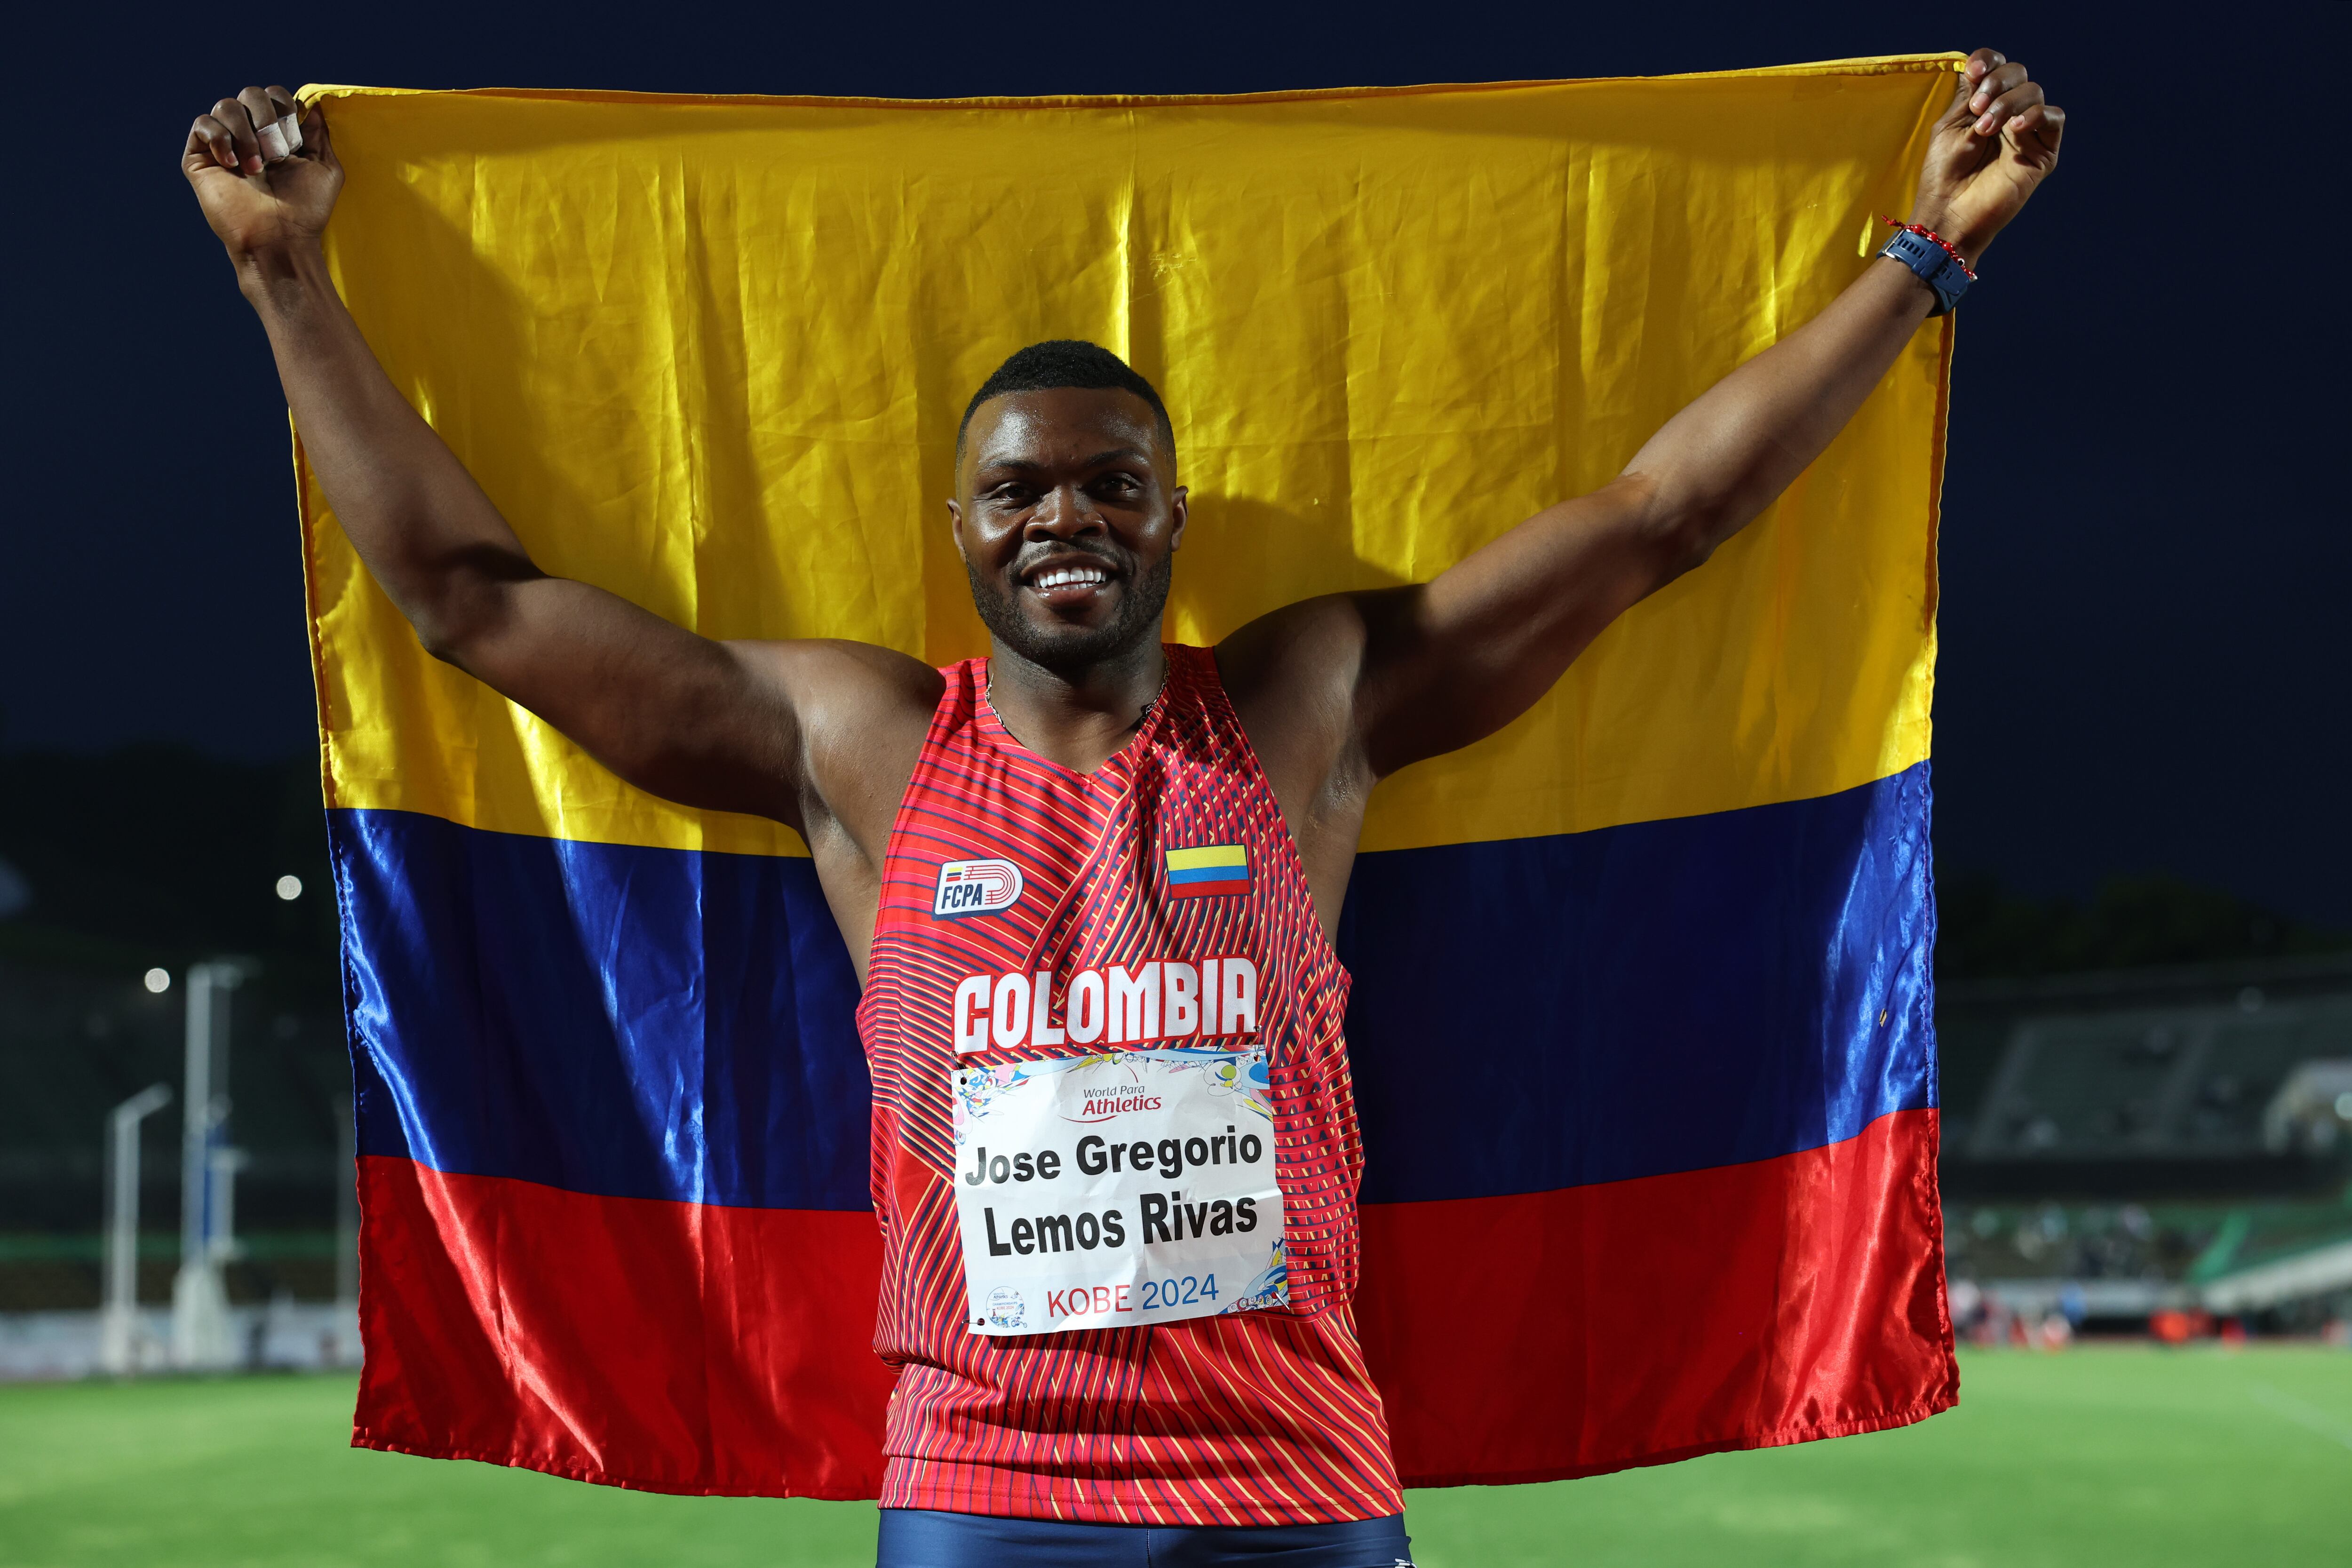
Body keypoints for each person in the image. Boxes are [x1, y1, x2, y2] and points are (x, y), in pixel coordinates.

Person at [183, 49, 2061, 1568]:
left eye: (1105, 484)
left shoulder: (1301, 711)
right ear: (958, 532)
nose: (1059, 517)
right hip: (988, 1497)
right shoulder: (862, 748)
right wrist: (285, 275)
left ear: (1173, 516)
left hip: (1296, 1488)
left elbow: (1660, 522)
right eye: (1012, 492)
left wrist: (1924, 259)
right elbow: (471, 603)